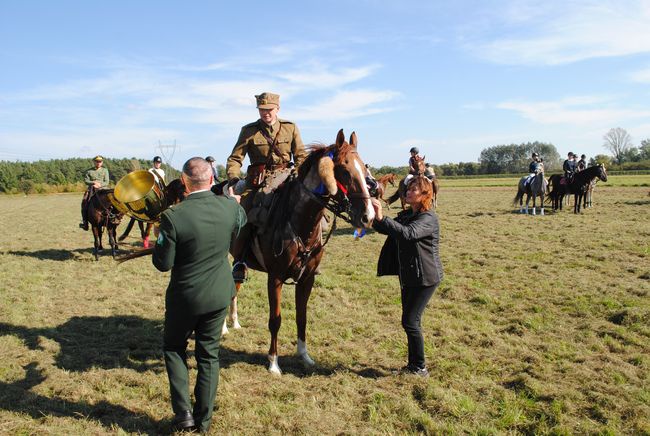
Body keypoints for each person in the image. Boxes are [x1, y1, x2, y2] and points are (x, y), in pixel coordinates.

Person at [153, 157, 246, 433]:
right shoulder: (229, 208)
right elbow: (239, 224)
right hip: (219, 295)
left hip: (185, 298)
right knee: (209, 356)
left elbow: (163, 263)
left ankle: (183, 414)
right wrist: (232, 202)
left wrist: (161, 235)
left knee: (173, 348)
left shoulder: (172, 216)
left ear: (183, 181)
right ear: (211, 180)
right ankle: (203, 422)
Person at [225, 92, 307, 281]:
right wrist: (234, 179)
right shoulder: (249, 130)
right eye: (262, 110)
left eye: (269, 110)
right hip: (258, 181)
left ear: (277, 109)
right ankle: (240, 261)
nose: (266, 113)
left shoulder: (290, 128)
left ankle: (308, 256)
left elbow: (300, 155)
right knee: (245, 214)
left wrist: (302, 175)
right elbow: (235, 158)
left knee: (309, 209)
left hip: (287, 178)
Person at [370, 176, 444, 377]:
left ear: (425, 195)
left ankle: (419, 368)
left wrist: (382, 217)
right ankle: (414, 366)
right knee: (409, 321)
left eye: (413, 190)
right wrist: (376, 216)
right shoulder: (407, 215)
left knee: (411, 322)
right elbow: (387, 229)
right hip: (410, 275)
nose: (408, 192)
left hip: (425, 278)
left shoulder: (428, 218)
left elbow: (407, 234)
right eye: (408, 189)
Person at [79, 155, 110, 231]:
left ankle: (113, 220)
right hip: (92, 190)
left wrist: (100, 185)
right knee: (84, 202)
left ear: (102, 162)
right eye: (97, 161)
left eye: (100, 161)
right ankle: (85, 222)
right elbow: (86, 181)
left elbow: (107, 182)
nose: (98, 163)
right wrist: (93, 183)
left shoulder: (105, 170)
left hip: (103, 190)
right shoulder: (89, 171)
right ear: (94, 162)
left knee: (113, 202)